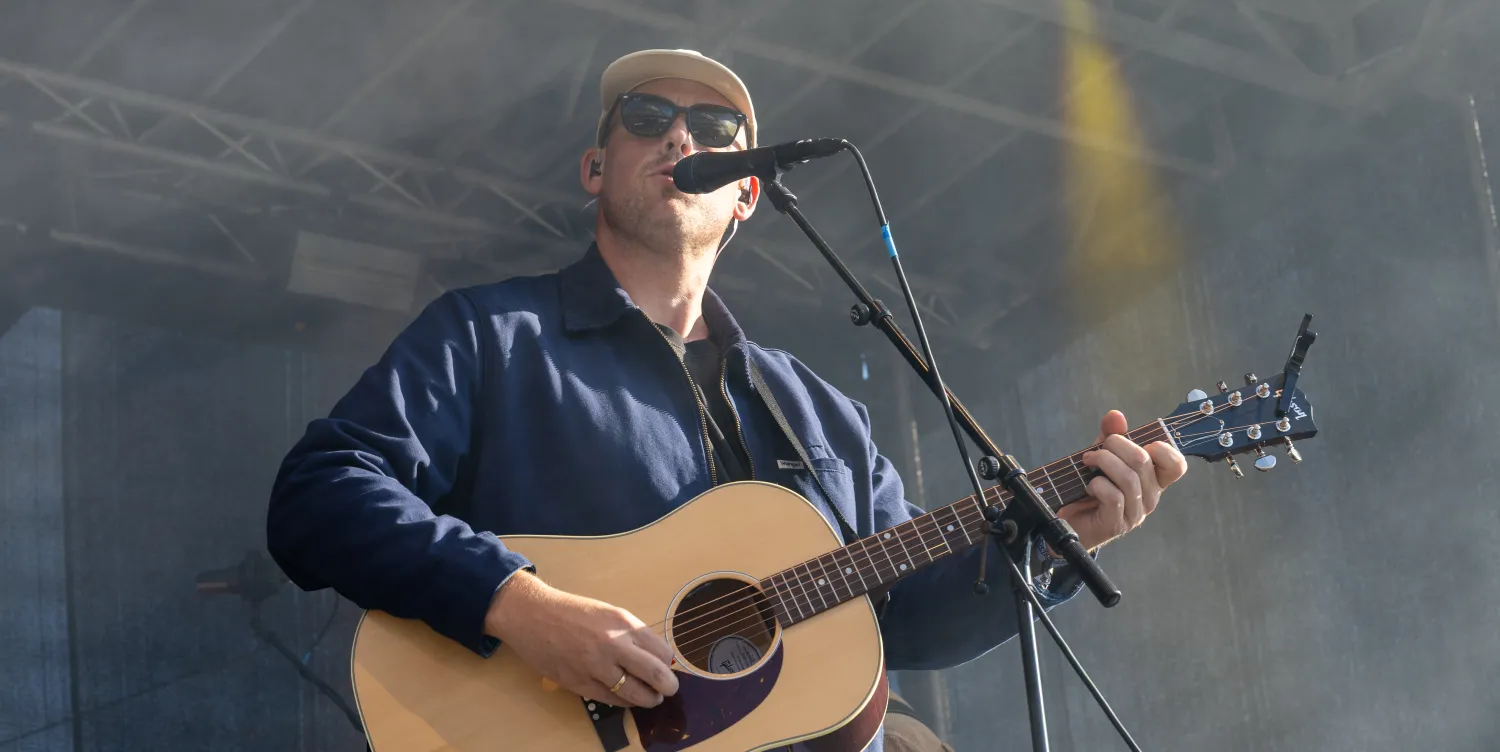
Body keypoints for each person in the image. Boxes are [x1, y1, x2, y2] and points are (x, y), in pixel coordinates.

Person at [266, 49, 1188, 752]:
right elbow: (320, 492)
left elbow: (906, 621)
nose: (680, 138)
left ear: (747, 194)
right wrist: (518, 604)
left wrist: (1064, 538)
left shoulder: (823, 414)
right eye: (648, 116)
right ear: (597, 168)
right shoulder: (492, 336)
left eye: (713, 129)